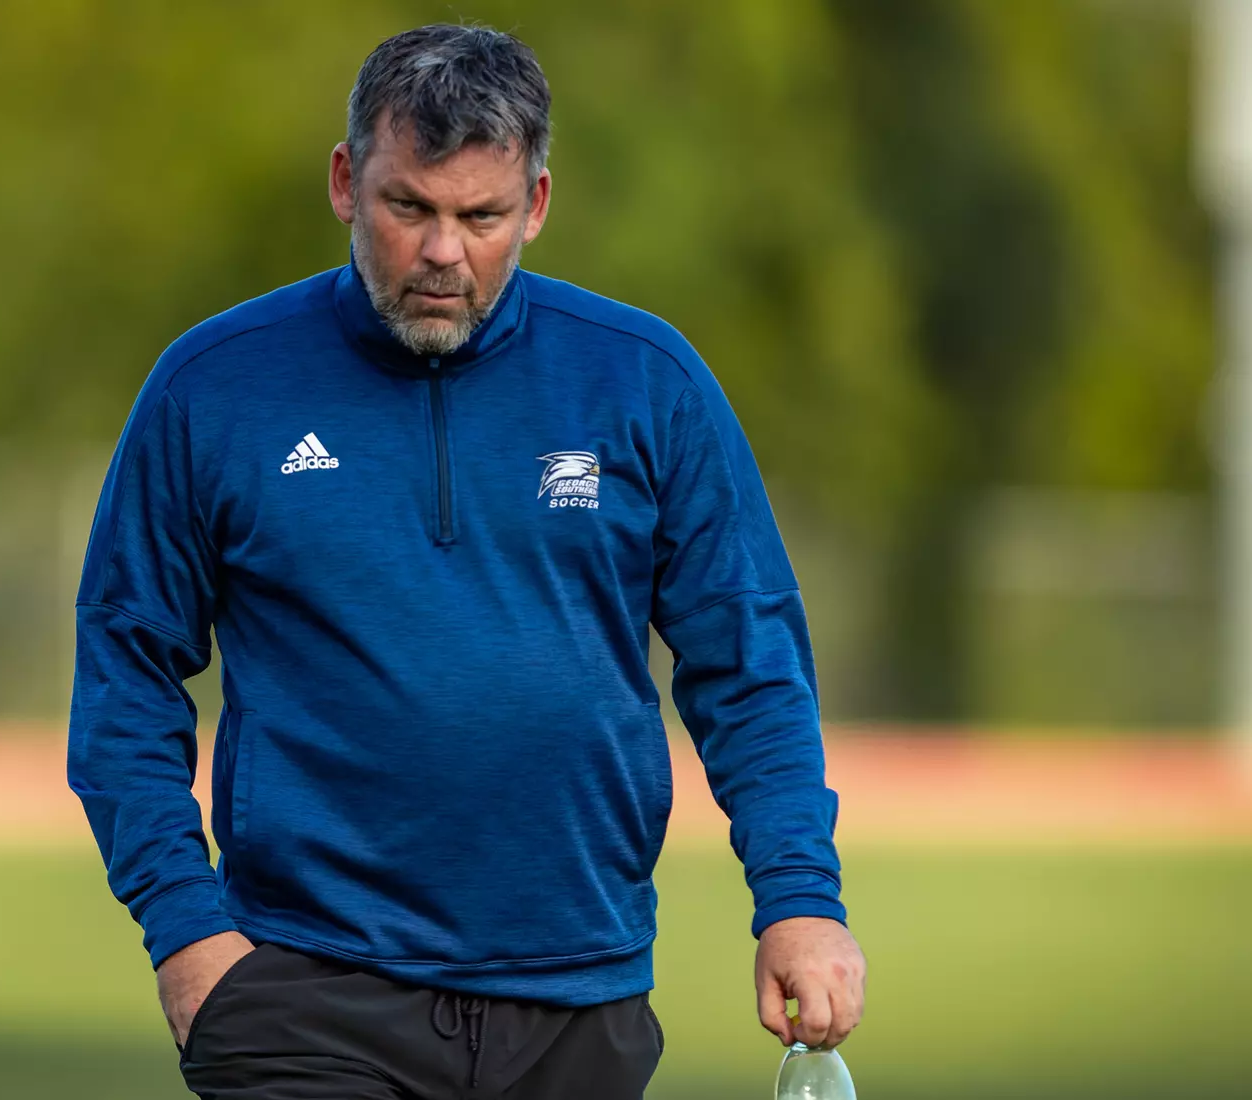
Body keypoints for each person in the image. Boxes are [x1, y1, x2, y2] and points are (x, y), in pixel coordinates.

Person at [69, 23, 865, 1100]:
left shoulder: (646, 382)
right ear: (346, 184)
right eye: (410, 207)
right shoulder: (213, 387)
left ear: (535, 204)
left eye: (481, 216)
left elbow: (751, 664)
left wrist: (801, 899)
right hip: (304, 987)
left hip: (578, 989)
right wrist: (185, 934)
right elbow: (124, 672)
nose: (443, 251)